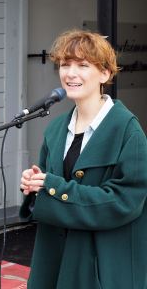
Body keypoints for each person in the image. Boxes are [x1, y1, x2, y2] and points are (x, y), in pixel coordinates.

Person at [19, 29, 147, 289]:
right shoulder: (55, 129)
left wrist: (54, 187)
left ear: (105, 74)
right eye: (65, 64)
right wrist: (34, 186)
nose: (70, 73)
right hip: (54, 260)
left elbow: (125, 202)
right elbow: (48, 188)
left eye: (83, 65)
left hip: (102, 265)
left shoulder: (127, 130)